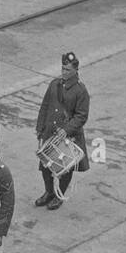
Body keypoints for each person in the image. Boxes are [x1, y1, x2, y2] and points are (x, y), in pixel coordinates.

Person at [33, 51, 90, 209]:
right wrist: (40, 128)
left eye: (67, 70)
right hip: (50, 132)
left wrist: (67, 129)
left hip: (68, 136)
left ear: (75, 71)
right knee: (46, 164)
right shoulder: (54, 84)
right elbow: (45, 106)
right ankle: (49, 192)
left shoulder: (80, 91)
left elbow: (81, 116)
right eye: (63, 68)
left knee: (64, 167)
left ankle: (60, 195)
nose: (64, 72)